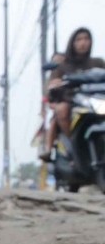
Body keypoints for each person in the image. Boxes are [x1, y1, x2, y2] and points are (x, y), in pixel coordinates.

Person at [41, 28, 105, 160]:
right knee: (62, 109)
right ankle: (72, 143)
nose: (83, 43)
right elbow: (51, 89)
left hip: (95, 101)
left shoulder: (98, 62)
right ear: (72, 43)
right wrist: (55, 85)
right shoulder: (63, 66)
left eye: (86, 39)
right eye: (79, 39)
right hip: (72, 102)